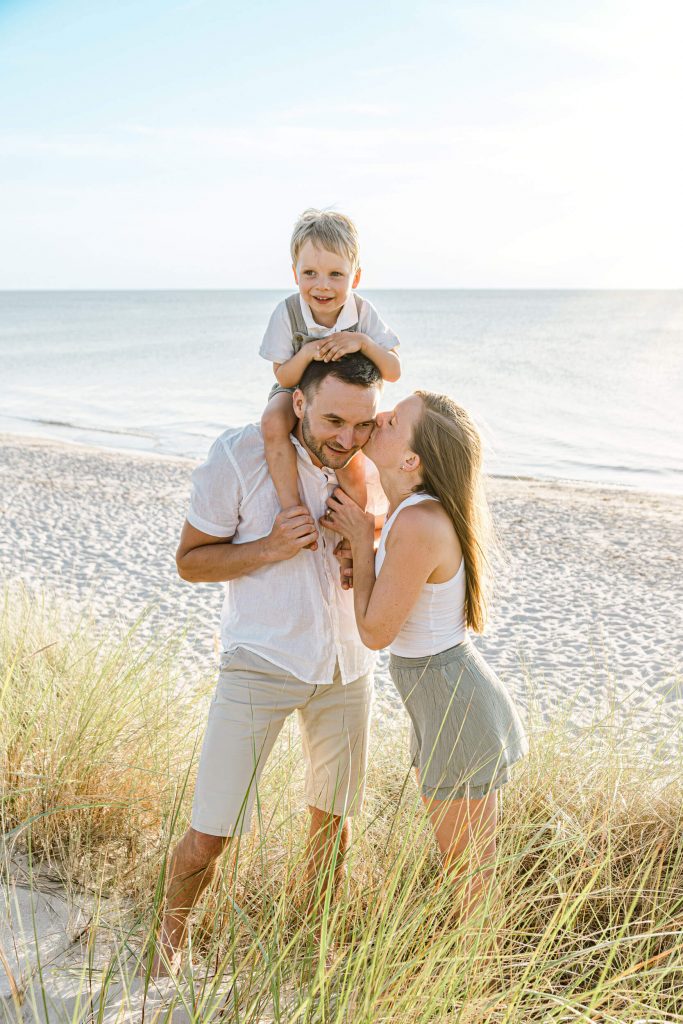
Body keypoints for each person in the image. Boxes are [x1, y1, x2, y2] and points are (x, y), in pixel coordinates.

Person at [150, 353, 383, 977]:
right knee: (211, 830)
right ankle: (165, 950)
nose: (347, 438)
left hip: (348, 667)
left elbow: (391, 552)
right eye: (334, 419)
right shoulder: (237, 456)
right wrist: (270, 547)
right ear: (298, 404)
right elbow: (191, 561)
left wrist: (363, 542)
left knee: (333, 827)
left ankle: (311, 955)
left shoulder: (374, 460)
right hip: (261, 660)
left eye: (362, 424)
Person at [321, 391, 528, 921]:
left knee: (471, 880)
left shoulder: (415, 522)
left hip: (454, 703)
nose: (380, 416)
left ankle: (477, 995)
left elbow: (374, 633)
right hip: (441, 698)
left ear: (411, 460)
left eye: (393, 420)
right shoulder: (406, 514)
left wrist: (362, 547)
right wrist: (365, 544)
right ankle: (470, 986)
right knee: (467, 874)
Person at [260, 208, 401, 522]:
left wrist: (363, 343)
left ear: (356, 277)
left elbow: (393, 371)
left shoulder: (362, 312)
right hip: (296, 385)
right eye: (310, 274)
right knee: (272, 422)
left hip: (348, 400)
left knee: (351, 464)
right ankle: (292, 507)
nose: (322, 285)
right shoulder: (288, 313)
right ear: (296, 274)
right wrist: (308, 353)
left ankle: (355, 528)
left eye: (336, 275)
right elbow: (283, 374)